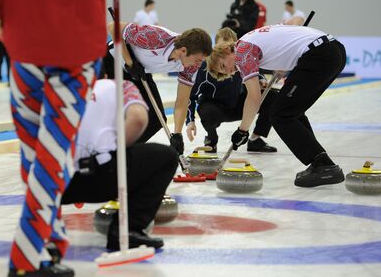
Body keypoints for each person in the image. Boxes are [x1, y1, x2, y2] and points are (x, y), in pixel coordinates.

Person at [0, 0, 134, 277]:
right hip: (74, 49)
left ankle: (51, 242)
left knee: (36, 154)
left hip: (25, 41)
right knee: (55, 154)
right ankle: (27, 254)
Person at [207, 23, 347, 188]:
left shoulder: (242, 53)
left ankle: (323, 165)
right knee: (292, 111)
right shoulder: (249, 41)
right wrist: (286, 64)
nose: (231, 71)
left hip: (318, 55)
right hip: (333, 50)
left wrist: (242, 131)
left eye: (224, 66)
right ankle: (321, 162)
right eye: (226, 73)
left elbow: (253, 97)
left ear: (226, 51)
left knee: (280, 114)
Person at [62, 79, 177, 250]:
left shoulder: (53, 86)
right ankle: (129, 229)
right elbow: (138, 119)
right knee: (167, 157)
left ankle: (39, 228)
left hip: (56, 179)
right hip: (103, 173)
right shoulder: (120, 85)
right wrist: (115, 149)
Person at [104, 22, 213, 156]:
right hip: (111, 62)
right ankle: (103, 150)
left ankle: (121, 153)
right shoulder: (155, 37)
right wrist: (130, 62)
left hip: (140, 71)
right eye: (198, 60)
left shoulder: (190, 66)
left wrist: (177, 134)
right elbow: (112, 27)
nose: (199, 65)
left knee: (156, 119)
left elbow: (182, 100)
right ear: (184, 50)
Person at [186, 27, 277, 153]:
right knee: (206, 111)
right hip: (216, 108)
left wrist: (261, 80)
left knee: (271, 97)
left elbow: (254, 72)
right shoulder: (204, 67)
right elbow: (191, 96)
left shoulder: (242, 58)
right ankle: (211, 139)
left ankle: (255, 139)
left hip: (237, 103)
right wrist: (190, 121)